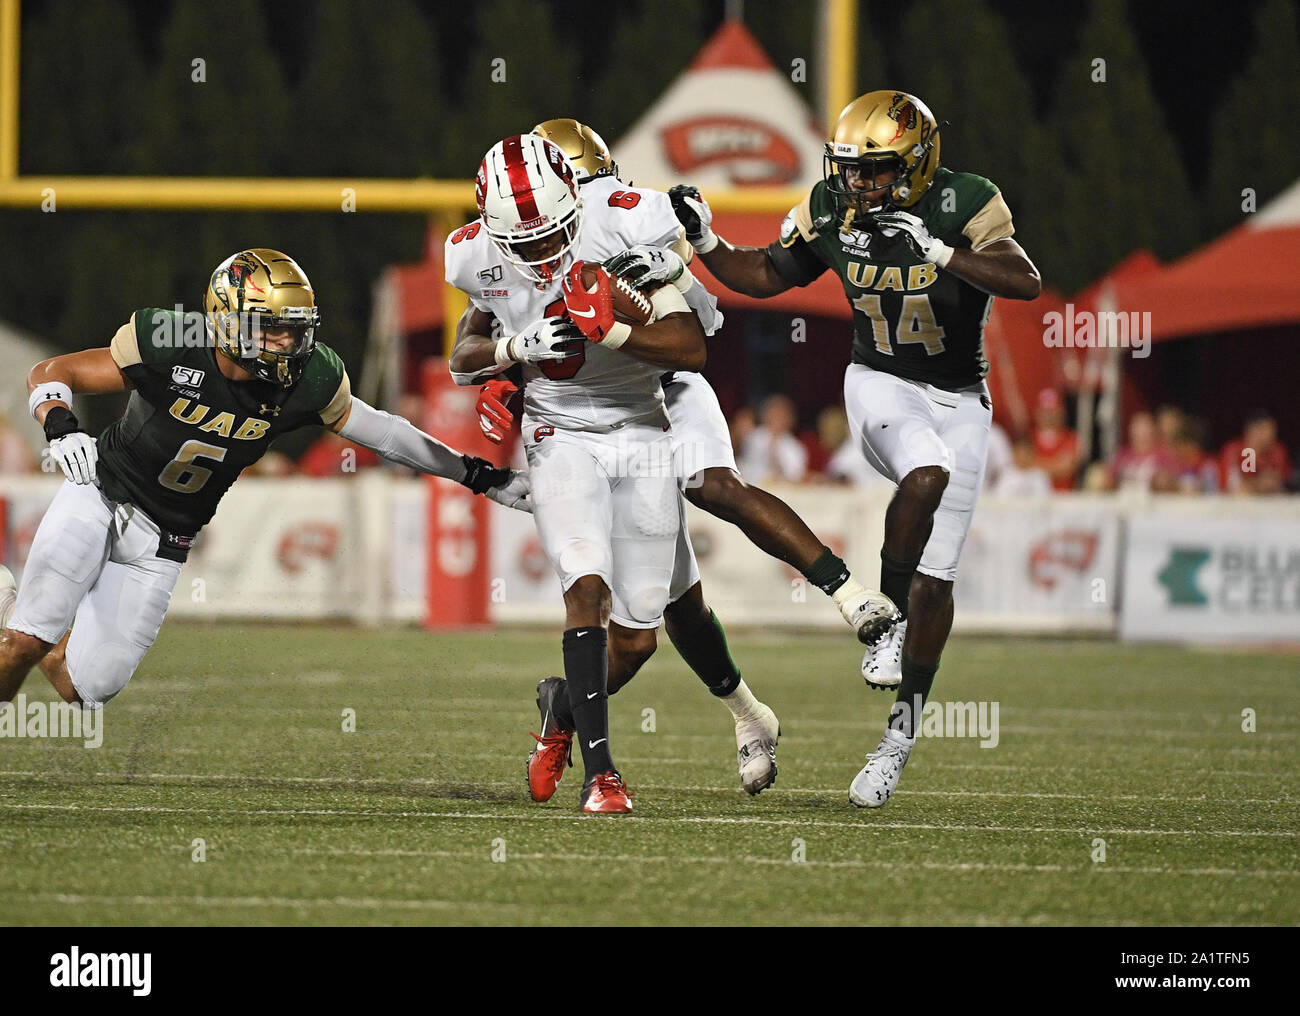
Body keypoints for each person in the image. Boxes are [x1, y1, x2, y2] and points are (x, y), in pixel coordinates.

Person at [464, 121, 899, 803]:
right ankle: (747, 715)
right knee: (676, 606)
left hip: (662, 386)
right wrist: (507, 370)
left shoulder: (628, 220)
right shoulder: (504, 248)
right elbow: (517, 324)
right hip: (585, 418)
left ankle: (853, 601)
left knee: (713, 485)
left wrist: (681, 252)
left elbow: (690, 333)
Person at [668, 89, 1041, 808]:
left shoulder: (967, 201)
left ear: (919, 164)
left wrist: (940, 250)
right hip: (878, 381)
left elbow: (1024, 280)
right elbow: (770, 274)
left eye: (875, 170)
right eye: (851, 169)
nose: (859, 184)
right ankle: (885, 625)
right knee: (926, 471)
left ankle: (897, 739)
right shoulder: (832, 209)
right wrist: (709, 243)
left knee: (940, 584)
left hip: (961, 397)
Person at [0, 249, 529, 712]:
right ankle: (27, 624)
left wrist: (477, 474)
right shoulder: (171, 340)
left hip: (167, 539)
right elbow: (52, 372)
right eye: (270, 327)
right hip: (103, 493)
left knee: (88, 690)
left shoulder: (310, 379)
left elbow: (387, 434)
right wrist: (61, 426)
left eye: (295, 328)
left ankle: (15, 605)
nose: (286, 341)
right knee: (24, 644)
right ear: (227, 323)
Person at [736, 393, 808, 484]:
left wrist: (776, 453)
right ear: (765, 415)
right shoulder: (754, 437)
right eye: (774, 413)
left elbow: (795, 476)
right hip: (751, 487)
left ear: (790, 420)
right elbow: (744, 462)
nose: (777, 419)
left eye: (781, 415)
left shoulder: (795, 447)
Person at [1220, 411, 1292, 495]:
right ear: (1251, 431)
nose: (1271, 436)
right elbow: (1229, 487)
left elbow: (1281, 484)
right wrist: (1256, 484)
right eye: (1266, 430)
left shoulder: (1277, 451)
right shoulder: (1233, 450)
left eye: (1273, 431)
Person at [1032, 388, 1080, 491]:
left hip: (1063, 498)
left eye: (1053, 412)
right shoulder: (1029, 439)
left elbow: (1066, 469)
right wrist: (1055, 463)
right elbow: (1022, 465)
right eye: (1045, 412)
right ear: (1037, 412)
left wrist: (1036, 464)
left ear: (1061, 413)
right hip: (1034, 497)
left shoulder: (1071, 439)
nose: (1049, 416)